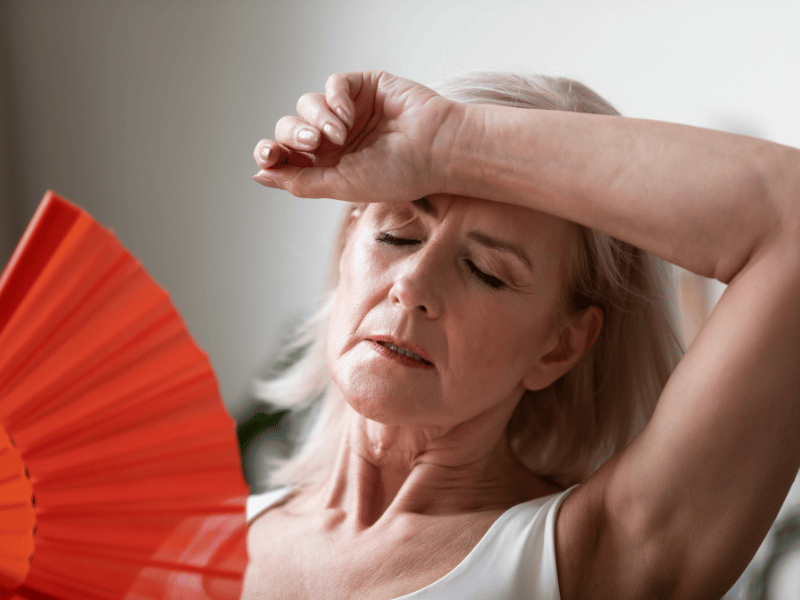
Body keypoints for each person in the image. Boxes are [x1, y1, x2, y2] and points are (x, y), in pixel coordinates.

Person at [246, 70, 800, 599]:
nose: (412, 284)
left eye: (486, 271)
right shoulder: (190, 533)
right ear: (349, 242)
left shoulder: (590, 561)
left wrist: (446, 141)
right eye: (396, 235)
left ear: (560, 346)